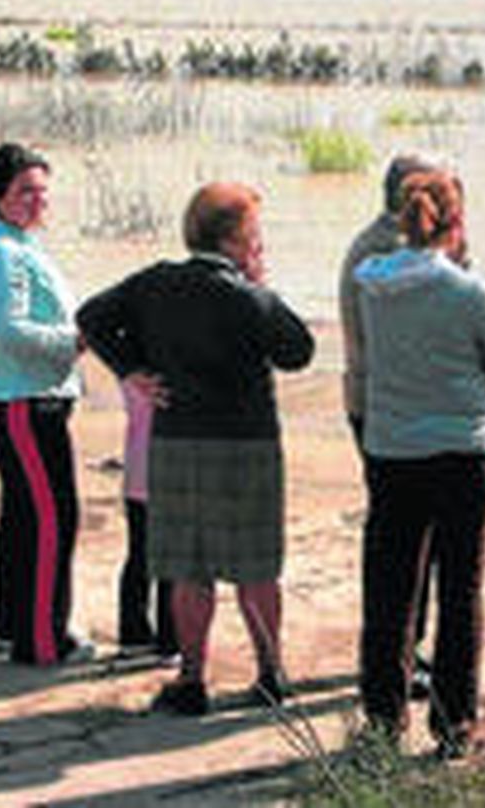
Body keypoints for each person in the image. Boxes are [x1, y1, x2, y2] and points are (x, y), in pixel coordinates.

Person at [78, 182, 315, 716]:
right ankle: (270, 674)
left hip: (177, 437)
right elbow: (298, 350)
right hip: (246, 442)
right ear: (235, 240)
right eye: (254, 235)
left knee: (189, 569)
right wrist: (261, 286)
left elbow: (91, 317)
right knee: (256, 567)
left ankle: (191, 678)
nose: (259, 244)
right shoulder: (247, 296)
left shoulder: (156, 282)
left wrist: (131, 369)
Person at [353, 169, 485, 759]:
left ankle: (382, 720)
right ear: (457, 224)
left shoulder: (371, 285)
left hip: (391, 450)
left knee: (389, 590)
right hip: (463, 452)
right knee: (460, 589)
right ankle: (454, 726)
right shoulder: (469, 292)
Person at [0, 142, 91, 666]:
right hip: (18, 401)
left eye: (41, 191)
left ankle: (12, 623)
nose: (37, 200)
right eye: (24, 191)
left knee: (24, 511)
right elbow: (8, 331)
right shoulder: (1, 253)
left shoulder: (18, 244)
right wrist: (73, 342)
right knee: (52, 516)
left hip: (26, 395)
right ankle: (42, 640)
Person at [338, 153, 441, 697]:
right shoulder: (388, 253)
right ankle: (397, 654)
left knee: (400, 533)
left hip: (379, 402)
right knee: (404, 538)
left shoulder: (383, 245)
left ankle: (397, 650)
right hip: (389, 407)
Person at [114, 377, 176, 659]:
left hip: (138, 471)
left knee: (139, 555)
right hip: (170, 469)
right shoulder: (164, 373)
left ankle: (133, 635)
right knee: (172, 560)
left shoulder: (130, 371)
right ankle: (169, 640)